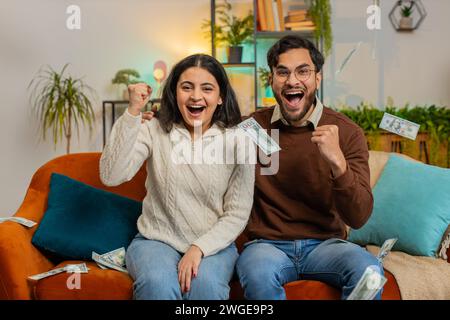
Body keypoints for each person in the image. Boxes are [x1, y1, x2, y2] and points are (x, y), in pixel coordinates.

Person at [236, 35, 383, 300]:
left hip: (326, 246)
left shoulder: (348, 132)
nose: (292, 80)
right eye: (282, 72)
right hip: (267, 246)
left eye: (303, 71)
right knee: (258, 275)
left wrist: (338, 163)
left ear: (317, 78)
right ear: (272, 81)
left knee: (370, 273)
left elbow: (359, 216)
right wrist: (157, 123)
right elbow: (205, 137)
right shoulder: (253, 127)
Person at [100, 54, 255, 300]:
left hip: (214, 246)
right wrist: (133, 112)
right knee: (157, 284)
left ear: (220, 96)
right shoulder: (154, 129)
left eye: (207, 88)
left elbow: (237, 213)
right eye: (186, 87)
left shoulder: (238, 140)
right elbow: (111, 175)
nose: (196, 96)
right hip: (155, 241)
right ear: (174, 92)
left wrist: (199, 248)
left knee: (207, 288)